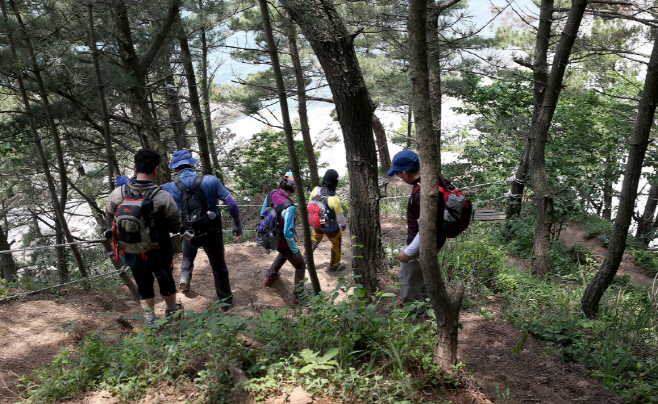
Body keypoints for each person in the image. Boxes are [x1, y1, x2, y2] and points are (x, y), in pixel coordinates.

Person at [114, 150, 242, 310]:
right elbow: (232, 204)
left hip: (188, 233)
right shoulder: (211, 180)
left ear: (175, 169)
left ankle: (184, 280)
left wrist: (126, 181)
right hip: (212, 232)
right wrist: (237, 225)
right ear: (193, 164)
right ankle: (226, 303)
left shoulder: (168, 188)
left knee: (188, 253)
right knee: (219, 267)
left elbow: (144, 190)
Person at [105, 149, 182, 324]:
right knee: (165, 278)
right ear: (156, 169)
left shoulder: (118, 194)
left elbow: (110, 219)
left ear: (134, 168)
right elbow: (175, 225)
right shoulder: (162, 196)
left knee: (143, 282)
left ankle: (150, 319)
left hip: (131, 248)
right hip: (159, 247)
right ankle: (172, 312)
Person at [387, 150, 446, 307]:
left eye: (398, 174)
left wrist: (409, 251)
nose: (399, 178)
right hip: (436, 238)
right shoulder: (435, 177)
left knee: (407, 277)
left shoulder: (422, 194)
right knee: (421, 273)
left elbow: (428, 227)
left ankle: (414, 310)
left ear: (405, 173)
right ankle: (426, 302)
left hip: (424, 240)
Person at [261, 172, 306, 307]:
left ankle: (271, 276)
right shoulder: (290, 207)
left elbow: (263, 213)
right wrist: (295, 250)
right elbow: (287, 233)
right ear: (293, 187)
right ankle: (297, 299)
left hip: (270, 237)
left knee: (284, 253)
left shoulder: (271, 194)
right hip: (283, 241)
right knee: (300, 266)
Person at [308, 169, 347, 272]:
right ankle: (334, 266)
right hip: (330, 227)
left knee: (315, 239)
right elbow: (340, 217)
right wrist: (343, 225)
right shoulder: (334, 198)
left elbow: (310, 203)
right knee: (336, 244)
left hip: (316, 223)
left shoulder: (315, 189)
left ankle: (304, 259)